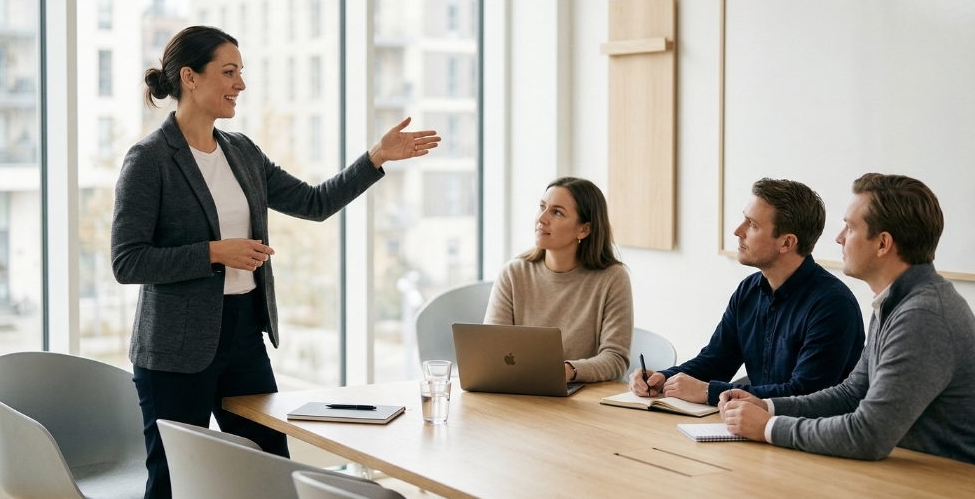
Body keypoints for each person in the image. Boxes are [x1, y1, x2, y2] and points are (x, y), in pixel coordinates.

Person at [110, 26, 439, 499]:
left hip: (244, 335)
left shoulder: (241, 151)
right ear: (190, 77)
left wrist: (376, 157)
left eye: (241, 72)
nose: (240, 84)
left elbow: (313, 202)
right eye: (228, 72)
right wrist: (214, 252)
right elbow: (128, 261)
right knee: (171, 482)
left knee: (270, 474)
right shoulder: (149, 159)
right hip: (176, 351)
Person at [720, 174, 975, 464]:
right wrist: (768, 407)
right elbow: (852, 394)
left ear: (883, 244)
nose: (839, 237)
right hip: (902, 470)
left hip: (944, 480)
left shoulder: (922, 317)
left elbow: (869, 435)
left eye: (850, 228)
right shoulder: (896, 301)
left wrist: (768, 427)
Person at [630, 178, 864, 404]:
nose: (737, 231)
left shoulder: (833, 305)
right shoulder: (748, 290)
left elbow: (805, 394)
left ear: (786, 243)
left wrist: (710, 391)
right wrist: (663, 378)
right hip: (753, 426)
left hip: (807, 436)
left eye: (752, 224)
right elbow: (716, 361)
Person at [484, 177, 632, 382]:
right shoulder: (513, 274)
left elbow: (615, 359)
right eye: (542, 207)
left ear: (584, 229)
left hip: (582, 399)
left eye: (557, 212)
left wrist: (568, 370)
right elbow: (492, 349)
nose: (541, 219)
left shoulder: (612, 278)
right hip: (520, 390)